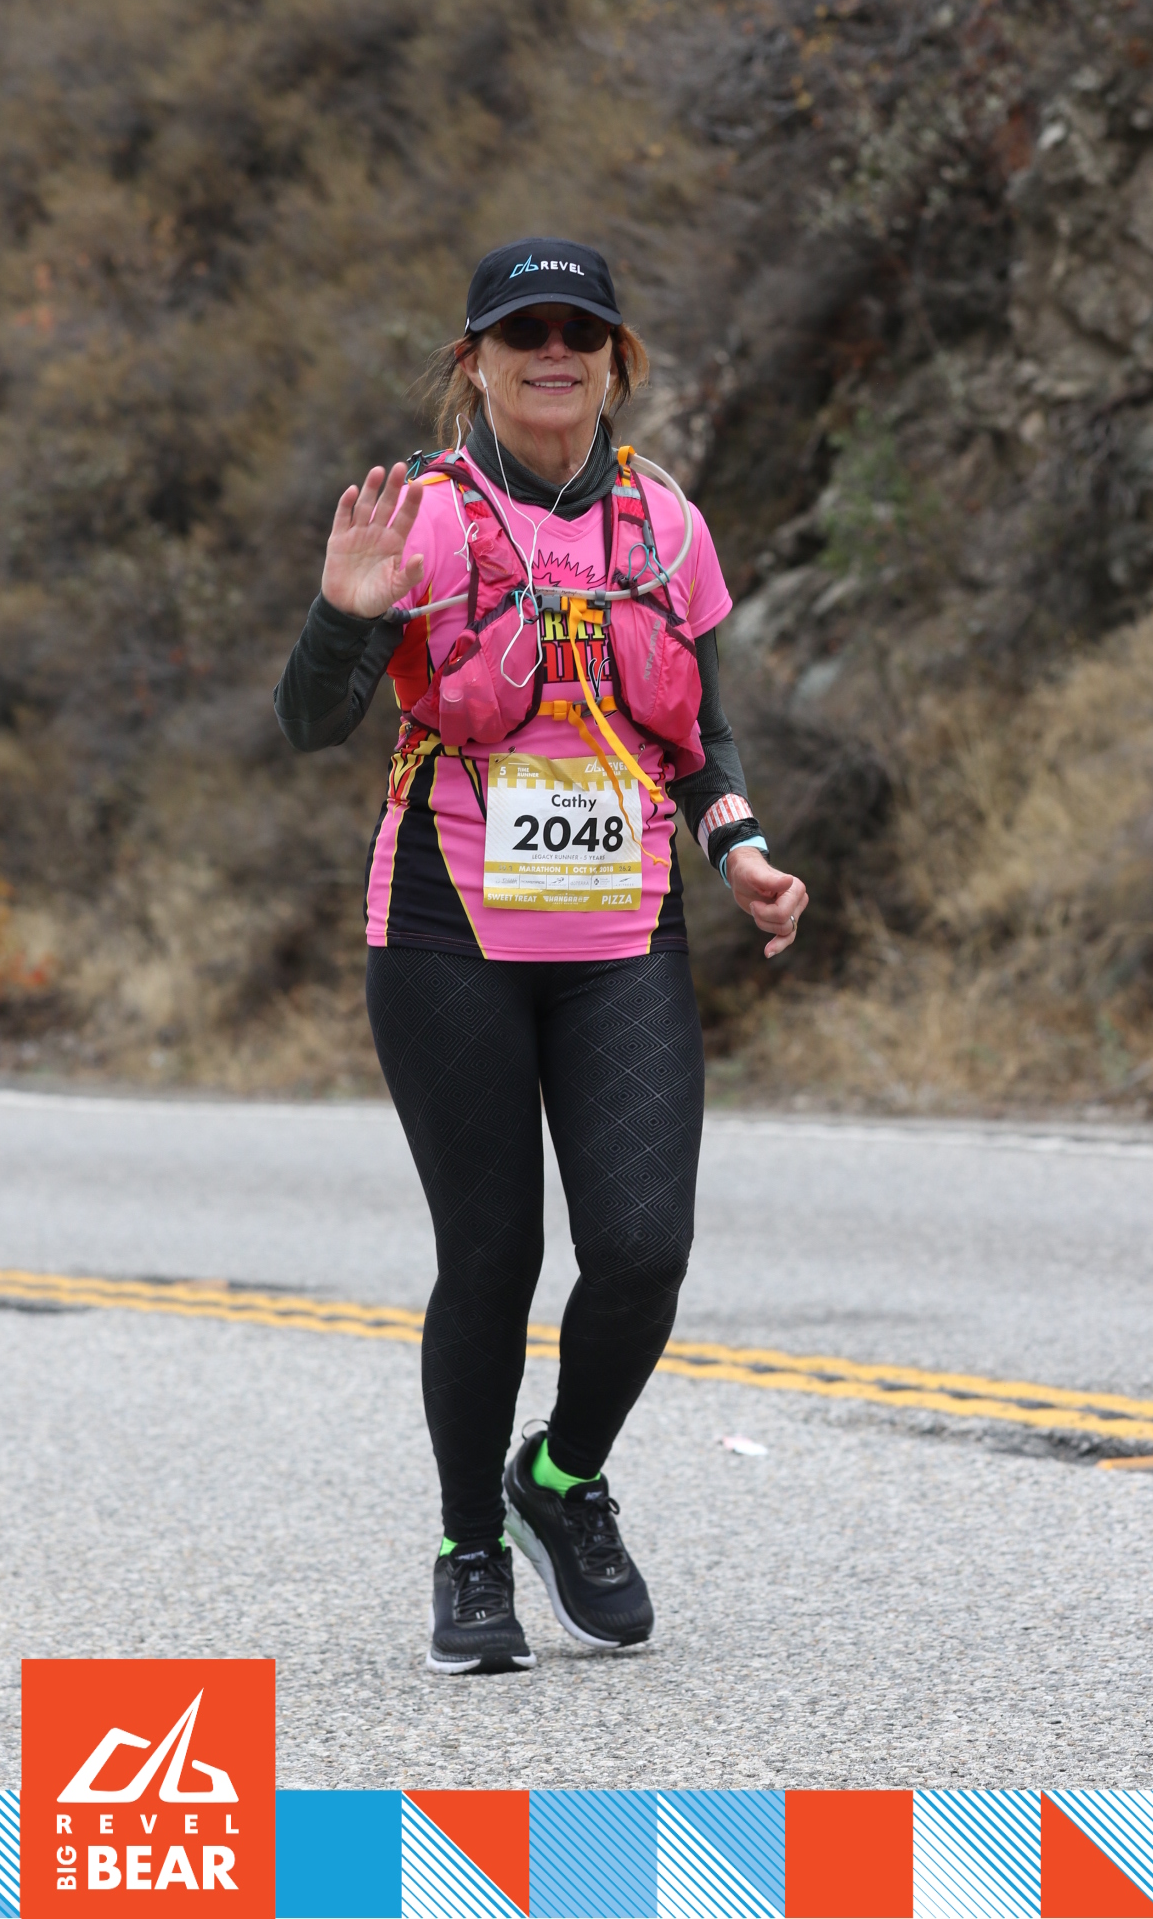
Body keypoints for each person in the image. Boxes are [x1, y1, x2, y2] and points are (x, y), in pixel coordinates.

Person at [275, 238, 807, 1674]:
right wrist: (341, 615)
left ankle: (559, 1481)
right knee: (494, 1254)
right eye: (525, 332)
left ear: (617, 358)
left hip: (622, 931)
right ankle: (468, 1551)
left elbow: (701, 733)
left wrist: (741, 850)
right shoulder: (422, 518)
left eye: (581, 330)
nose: (554, 351)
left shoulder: (665, 524)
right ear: (478, 361)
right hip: (445, 931)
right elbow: (310, 724)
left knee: (642, 1251)